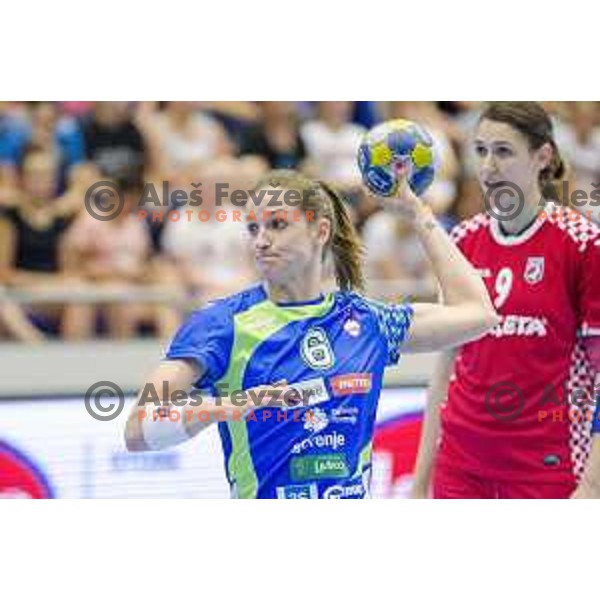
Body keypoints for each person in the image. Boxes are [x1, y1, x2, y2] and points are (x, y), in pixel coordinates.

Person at [124, 169, 498, 499]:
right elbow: (139, 429)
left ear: (321, 231)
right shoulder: (221, 324)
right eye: (253, 228)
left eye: (277, 225)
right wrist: (232, 405)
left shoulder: (368, 321)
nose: (261, 240)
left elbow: (478, 314)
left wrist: (419, 215)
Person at [411, 101, 600, 500]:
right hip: (460, 464)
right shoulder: (461, 241)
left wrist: (591, 486)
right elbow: (443, 372)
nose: (488, 167)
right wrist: (419, 482)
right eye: (480, 151)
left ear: (542, 156)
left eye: (503, 151)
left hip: (547, 467)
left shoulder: (582, 244)